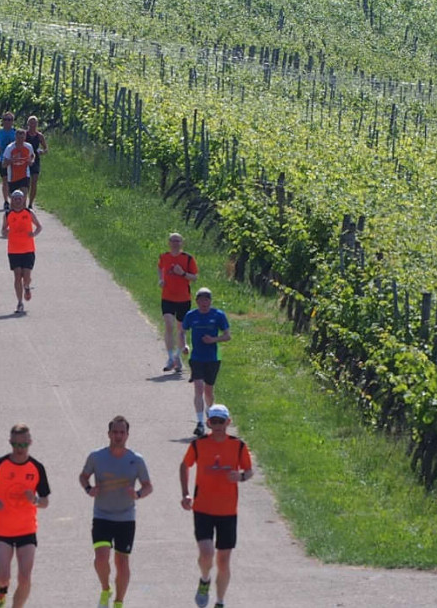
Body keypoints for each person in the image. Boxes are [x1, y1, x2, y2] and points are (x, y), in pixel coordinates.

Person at [179, 404, 253, 608]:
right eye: (214, 422)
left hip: (228, 511)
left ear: (228, 422)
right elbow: (185, 465)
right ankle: (204, 580)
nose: (218, 426)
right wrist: (185, 493)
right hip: (203, 508)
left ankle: (220, 601)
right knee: (206, 552)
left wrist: (240, 476)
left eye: (222, 422)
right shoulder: (199, 444)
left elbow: (249, 471)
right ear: (209, 422)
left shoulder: (238, 445)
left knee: (223, 560)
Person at [79, 416, 153, 608]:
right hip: (102, 515)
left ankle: (119, 602)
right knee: (101, 558)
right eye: (115, 432)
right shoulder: (96, 457)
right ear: (109, 434)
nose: (118, 436)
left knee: (122, 562)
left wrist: (137, 494)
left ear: (127, 435)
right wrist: (89, 489)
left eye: (122, 432)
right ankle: (106, 589)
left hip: (126, 518)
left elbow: (148, 486)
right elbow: (83, 476)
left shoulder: (135, 460)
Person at [0, 424, 51, 608]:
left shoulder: (37, 468)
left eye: (23, 445)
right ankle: (1, 589)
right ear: (10, 443)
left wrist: (34, 500)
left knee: (25, 579)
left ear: (30, 443)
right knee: (4, 578)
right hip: (2, 529)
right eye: (16, 445)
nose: (19, 450)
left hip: (26, 530)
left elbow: (45, 501)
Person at [180, 288, 231, 437]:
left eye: (207, 299)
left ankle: (210, 411)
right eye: (201, 300)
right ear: (197, 301)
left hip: (213, 358)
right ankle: (200, 423)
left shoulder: (218, 315)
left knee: (209, 391)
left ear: (210, 301)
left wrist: (213, 340)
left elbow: (227, 336)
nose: (204, 303)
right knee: (199, 388)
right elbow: (182, 331)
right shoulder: (191, 316)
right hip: (196, 358)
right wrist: (184, 345)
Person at [159, 233, 199, 373]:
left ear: (182, 243)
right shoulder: (164, 257)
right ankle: (170, 358)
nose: (175, 243)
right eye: (172, 241)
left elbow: (194, 277)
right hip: (167, 297)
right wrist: (161, 280)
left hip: (183, 299)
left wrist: (182, 273)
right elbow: (160, 268)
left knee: (181, 330)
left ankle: (178, 357)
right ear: (169, 242)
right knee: (169, 325)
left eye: (178, 241)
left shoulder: (188, 258)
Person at [1, 190, 41, 314]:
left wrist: (33, 234)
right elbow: (3, 229)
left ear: (23, 200)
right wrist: (5, 233)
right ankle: (19, 302)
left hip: (28, 249)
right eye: (15, 199)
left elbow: (39, 226)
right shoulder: (8, 214)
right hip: (13, 250)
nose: (17, 201)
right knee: (17, 275)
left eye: (19, 199)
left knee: (26, 276)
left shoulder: (28, 212)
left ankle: (27, 287)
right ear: (12, 200)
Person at [0, 128, 36, 205]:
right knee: (14, 200)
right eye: (18, 138)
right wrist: (11, 161)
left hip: (24, 175)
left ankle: (24, 214)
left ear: (25, 137)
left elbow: (32, 155)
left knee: (23, 197)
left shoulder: (28, 146)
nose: (20, 140)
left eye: (22, 138)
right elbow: (3, 164)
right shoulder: (10, 148)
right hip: (13, 177)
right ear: (15, 137)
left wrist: (31, 161)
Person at [0, 113, 17, 209]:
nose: (7, 122)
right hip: (2, 158)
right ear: (2, 121)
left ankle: (14, 198)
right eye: (5, 119)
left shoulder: (15, 132)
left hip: (14, 159)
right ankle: (6, 201)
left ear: (12, 121)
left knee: (13, 179)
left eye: (10, 119)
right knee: (4, 180)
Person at [24, 116, 47, 209]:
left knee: (34, 181)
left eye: (35, 123)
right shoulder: (24, 134)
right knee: (26, 182)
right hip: (26, 160)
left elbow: (46, 148)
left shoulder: (39, 136)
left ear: (37, 124)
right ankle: (24, 201)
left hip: (36, 160)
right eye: (31, 123)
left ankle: (30, 203)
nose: (33, 125)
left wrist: (42, 151)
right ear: (28, 124)